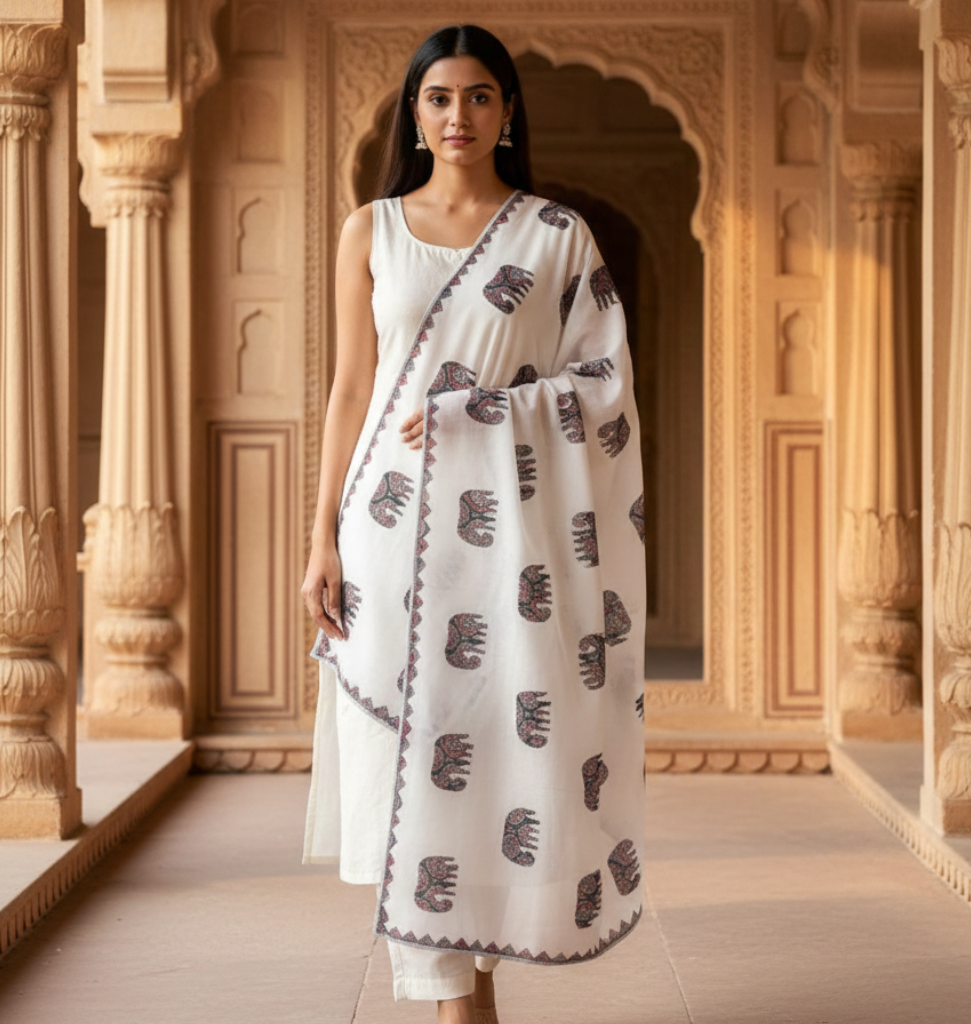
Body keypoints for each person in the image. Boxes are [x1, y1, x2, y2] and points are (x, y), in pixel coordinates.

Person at [301, 24, 646, 1024]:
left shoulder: (554, 237)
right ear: (415, 112)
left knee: (488, 751)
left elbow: (604, 385)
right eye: (440, 97)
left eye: (481, 96)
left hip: (508, 544)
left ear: (508, 113)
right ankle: (461, 1003)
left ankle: (465, 997)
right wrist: (321, 536)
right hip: (388, 531)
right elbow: (349, 391)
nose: (460, 116)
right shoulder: (372, 229)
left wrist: (486, 409)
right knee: (412, 763)